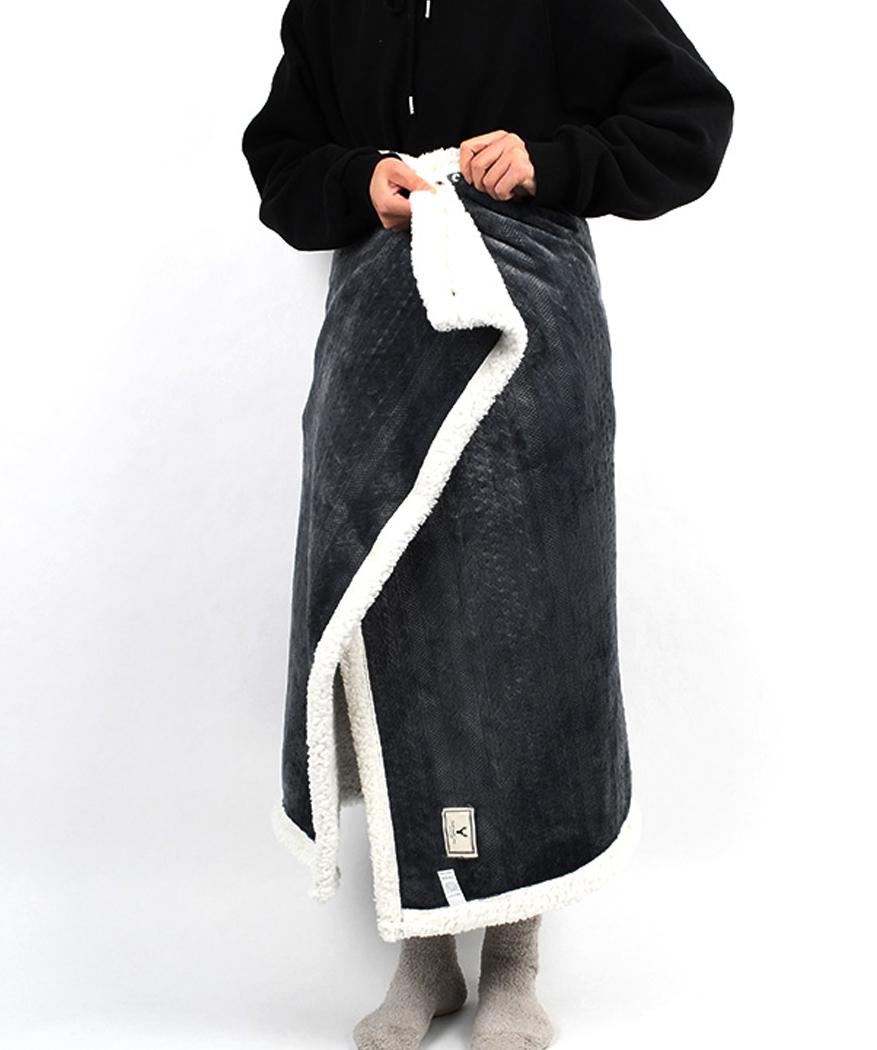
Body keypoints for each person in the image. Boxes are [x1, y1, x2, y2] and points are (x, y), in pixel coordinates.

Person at [242, 2, 732, 1049]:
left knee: (526, 631)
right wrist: (358, 179)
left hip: (532, 328)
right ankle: (426, 957)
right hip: (379, 332)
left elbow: (689, 120)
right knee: (392, 624)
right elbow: (280, 161)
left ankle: (512, 961)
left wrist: (551, 160)